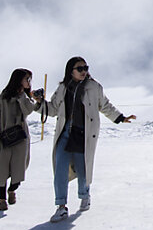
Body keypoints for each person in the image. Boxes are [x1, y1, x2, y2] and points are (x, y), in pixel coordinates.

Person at [38, 57, 136, 223]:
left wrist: (120, 118)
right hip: (64, 133)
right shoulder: (63, 88)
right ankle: (61, 207)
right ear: (71, 71)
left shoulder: (93, 87)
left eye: (85, 67)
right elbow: (53, 109)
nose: (83, 71)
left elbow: (105, 105)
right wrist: (39, 102)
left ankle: (85, 195)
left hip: (83, 134)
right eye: (79, 68)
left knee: (83, 170)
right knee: (60, 169)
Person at [0, 68, 41, 211]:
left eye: (30, 79)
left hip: (21, 139)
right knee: (1, 170)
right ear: (18, 80)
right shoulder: (3, 98)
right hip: (4, 139)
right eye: (26, 79)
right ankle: (2, 199)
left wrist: (25, 97)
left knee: (19, 168)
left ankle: (12, 190)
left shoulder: (25, 97)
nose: (29, 82)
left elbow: (29, 110)